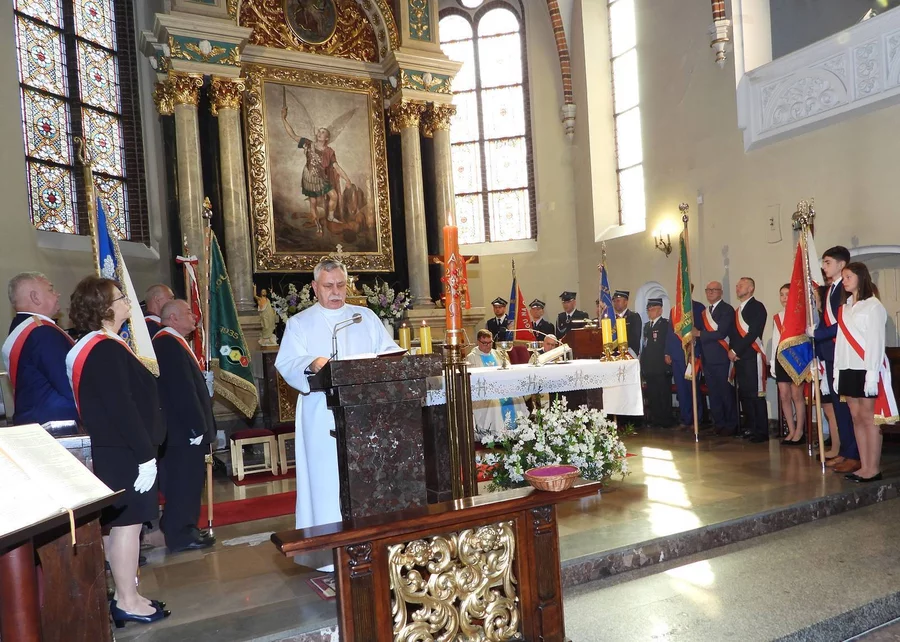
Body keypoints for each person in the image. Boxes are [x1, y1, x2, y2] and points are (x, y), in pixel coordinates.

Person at [274, 258, 400, 569]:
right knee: (327, 479)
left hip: (364, 412)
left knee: (367, 479)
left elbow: (388, 351)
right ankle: (330, 555)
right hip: (321, 412)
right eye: (328, 286)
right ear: (315, 287)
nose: (336, 292)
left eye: (341, 285)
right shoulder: (300, 323)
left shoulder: (364, 317)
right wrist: (311, 362)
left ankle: (370, 545)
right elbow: (287, 362)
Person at [66, 276, 169, 626]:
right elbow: (121, 406)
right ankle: (126, 601)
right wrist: (145, 457)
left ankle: (129, 595)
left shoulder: (104, 344)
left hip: (119, 449)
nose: (128, 301)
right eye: (121, 297)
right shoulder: (104, 348)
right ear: (104, 308)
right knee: (128, 526)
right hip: (125, 453)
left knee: (121, 526)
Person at [153, 299, 216, 553]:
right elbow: (181, 391)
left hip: (183, 431)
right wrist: (195, 427)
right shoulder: (167, 343)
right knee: (183, 482)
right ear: (173, 318)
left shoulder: (174, 341)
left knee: (189, 481)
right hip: (183, 432)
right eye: (188, 312)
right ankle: (181, 534)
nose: (194, 316)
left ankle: (185, 527)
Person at [834, 262, 897, 482]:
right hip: (847, 368)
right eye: (843, 277)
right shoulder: (844, 308)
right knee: (856, 417)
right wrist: (836, 371)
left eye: (848, 277)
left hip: (866, 368)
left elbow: (876, 342)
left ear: (861, 278)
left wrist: (872, 375)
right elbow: (840, 343)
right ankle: (863, 464)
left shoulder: (873, 306)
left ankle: (873, 468)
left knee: (870, 419)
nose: (844, 281)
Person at [2, 272, 78, 425]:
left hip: (34, 419)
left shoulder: (20, 326)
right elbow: (69, 385)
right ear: (35, 297)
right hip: (55, 424)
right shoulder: (42, 332)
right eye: (51, 289)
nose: (57, 294)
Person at [812, 246, 859, 473]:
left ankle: (854, 454)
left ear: (841, 264)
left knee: (846, 408)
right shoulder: (831, 288)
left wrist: (817, 334)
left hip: (841, 353)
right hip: (829, 354)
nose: (823, 267)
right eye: (823, 262)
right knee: (838, 407)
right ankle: (845, 451)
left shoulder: (844, 288)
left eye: (828, 262)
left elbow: (842, 323)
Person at [280, 110, 353, 234]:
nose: (319, 133)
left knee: (334, 196)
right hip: (309, 177)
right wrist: (283, 119)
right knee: (313, 202)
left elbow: (336, 167)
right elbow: (293, 135)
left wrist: (347, 179)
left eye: (323, 132)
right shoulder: (308, 144)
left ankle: (330, 217)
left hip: (321, 178)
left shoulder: (329, 151)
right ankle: (317, 225)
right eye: (319, 131)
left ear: (327, 138)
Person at [466, 329, 528, 442]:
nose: (488, 346)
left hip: (502, 388)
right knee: (495, 403)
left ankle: (518, 432)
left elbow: (509, 369)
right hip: (485, 392)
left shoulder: (498, 354)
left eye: (490, 342)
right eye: (484, 343)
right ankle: (497, 435)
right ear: (478, 342)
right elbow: (472, 380)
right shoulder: (472, 357)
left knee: (516, 398)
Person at [695, 281, 738, 435]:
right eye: (708, 290)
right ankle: (719, 423)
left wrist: (700, 333)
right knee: (713, 394)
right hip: (707, 359)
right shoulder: (704, 312)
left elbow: (721, 333)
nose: (710, 292)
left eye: (714, 290)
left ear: (721, 292)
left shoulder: (727, 309)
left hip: (722, 358)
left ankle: (731, 425)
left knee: (726, 393)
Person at [729, 277, 769, 443]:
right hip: (740, 358)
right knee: (745, 394)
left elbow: (753, 333)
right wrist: (732, 351)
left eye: (741, 285)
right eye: (737, 285)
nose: (737, 287)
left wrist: (736, 350)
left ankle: (761, 431)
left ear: (751, 288)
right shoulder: (737, 310)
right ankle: (750, 427)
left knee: (756, 394)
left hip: (752, 356)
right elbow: (733, 335)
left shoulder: (757, 307)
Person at [771, 283, 807, 445]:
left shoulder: (801, 314)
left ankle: (800, 430)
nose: (784, 298)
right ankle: (791, 430)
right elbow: (775, 341)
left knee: (796, 395)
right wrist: (773, 362)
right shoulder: (778, 317)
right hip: (781, 358)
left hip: (796, 358)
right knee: (784, 395)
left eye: (787, 294)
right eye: (782, 294)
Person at [813, 284, 840, 457]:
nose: (814, 302)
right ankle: (835, 446)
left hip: (830, 364)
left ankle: (837, 448)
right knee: (828, 409)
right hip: (822, 367)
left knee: (832, 411)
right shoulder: (820, 319)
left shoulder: (827, 320)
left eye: (816, 298)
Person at [641, 299, 673, 428]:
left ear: (660, 310)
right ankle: (656, 419)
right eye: (648, 310)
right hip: (649, 366)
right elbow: (645, 345)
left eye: (653, 309)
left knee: (663, 393)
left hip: (661, 365)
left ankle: (666, 420)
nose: (650, 312)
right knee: (653, 394)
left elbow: (667, 344)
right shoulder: (647, 326)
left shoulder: (665, 324)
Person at [612, 290, 643, 355]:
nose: (615, 303)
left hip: (628, 353)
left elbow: (635, 338)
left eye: (618, 301)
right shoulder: (612, 319)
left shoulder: (633, 316)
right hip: (613, 354)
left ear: (626, 302)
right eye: (614, 301)